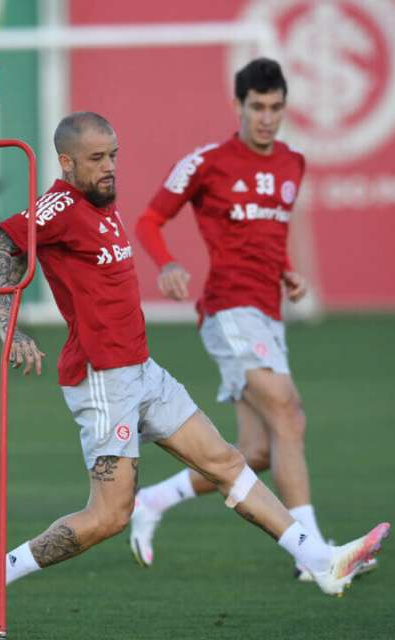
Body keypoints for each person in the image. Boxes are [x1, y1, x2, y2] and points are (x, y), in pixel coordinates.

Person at [0, 110, 389, 630]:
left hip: (142, 369)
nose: (110, 167)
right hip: (102, 377)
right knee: (110, 516)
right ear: (66, 162)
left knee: (226, 461)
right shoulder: (58, 207)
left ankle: (320, 560)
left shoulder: (99, 199)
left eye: (113, 154)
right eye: (96, 159)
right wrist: (7, 323)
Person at [126, 58, 370, 582]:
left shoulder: (292, 164)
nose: (266, 117)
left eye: (275, 107)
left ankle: (153, 501)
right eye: (256, 107)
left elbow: (269, 237)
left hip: (267, 315)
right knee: (289, 410)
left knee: (256, 451)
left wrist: (288, 273)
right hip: (228, 310)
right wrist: (167, 262)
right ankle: (314, 557)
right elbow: (148, 219)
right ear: (237, 106)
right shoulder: (207, 161)